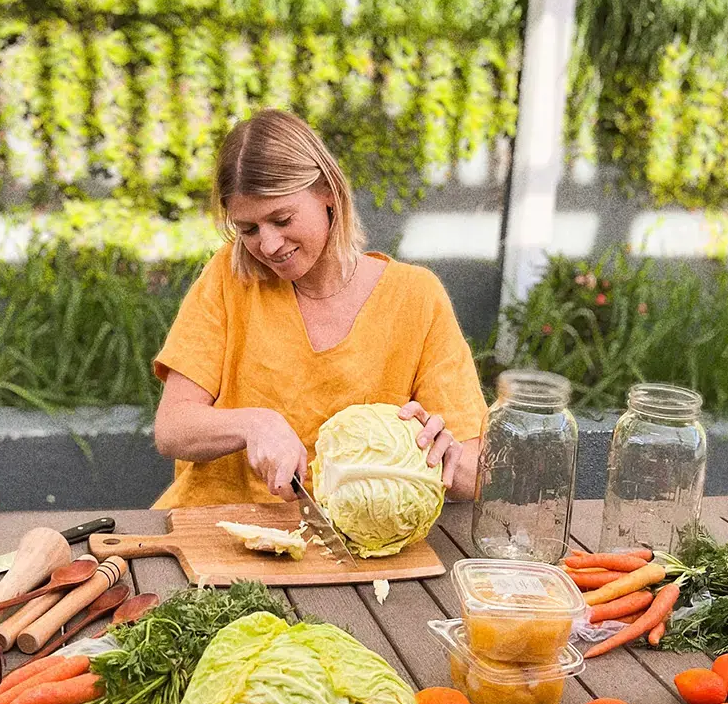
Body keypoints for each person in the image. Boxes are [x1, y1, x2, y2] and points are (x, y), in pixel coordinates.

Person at [151, 109, 488, 509]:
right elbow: (172, 428)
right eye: (249, 229)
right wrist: (253, 423)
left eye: (282, 218)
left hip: (354, 545)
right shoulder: (230, 277)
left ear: (327, 193)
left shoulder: (416, 298)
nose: (270, 245)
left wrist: (440, 454)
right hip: (213, 533)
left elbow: (477, 474)